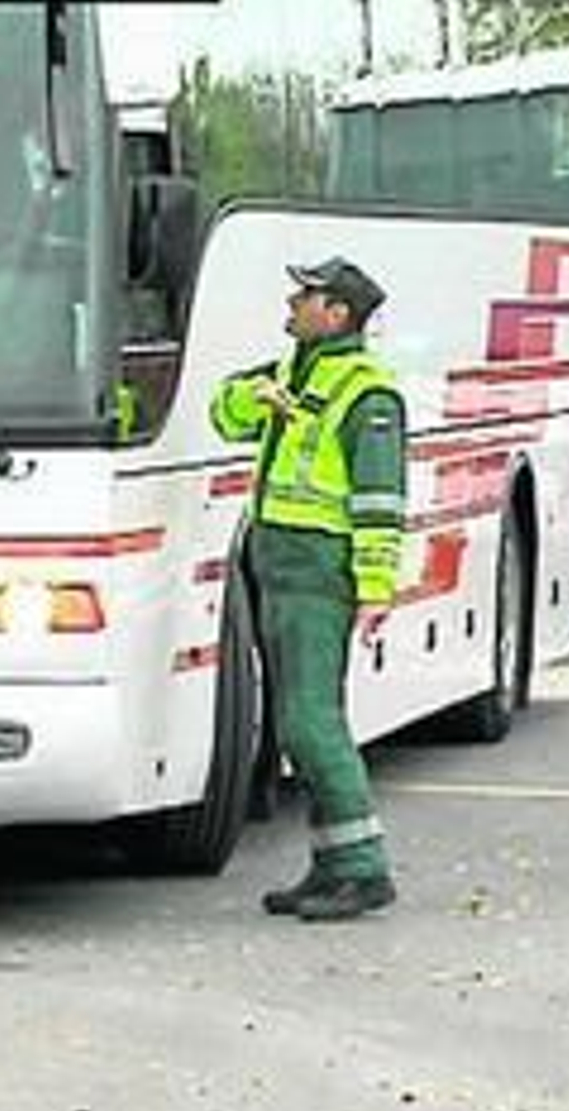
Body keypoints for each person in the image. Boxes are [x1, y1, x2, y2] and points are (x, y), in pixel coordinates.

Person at [210, 257, 404, 922]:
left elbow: (381, 500)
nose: (292, 302)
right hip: (278, 563)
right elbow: (223, 414)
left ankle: (362, 867)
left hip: (320, 568)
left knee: (309, 722)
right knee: (301, 722)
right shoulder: (291, 370)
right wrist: (251, 399)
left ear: (338, 313)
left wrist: (376, 587)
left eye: (307, 295)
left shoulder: (367, 393)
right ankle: (330, 865)